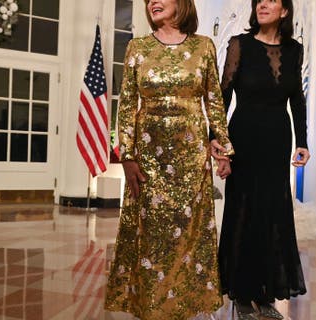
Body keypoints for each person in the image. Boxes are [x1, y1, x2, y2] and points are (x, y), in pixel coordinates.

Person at [104, 0, 233, 319]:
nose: (153, 3)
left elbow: (214, 102)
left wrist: (224, 147)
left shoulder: (204, 46)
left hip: (191, 157)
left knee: (188, 231)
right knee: (151, 234)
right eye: (149, 0)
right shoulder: (137, 47)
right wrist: (128, 155)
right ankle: (150, 305)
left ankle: (185, 305)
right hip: (148, 158)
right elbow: (127, 104)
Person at [214, 0, 310, 319]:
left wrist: (303, 142)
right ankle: (241, 294)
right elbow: (224, 96)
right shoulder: (239, 45)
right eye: (259, 1)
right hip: (243, 139)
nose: (262, 5)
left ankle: (265, 293)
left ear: (284, 11)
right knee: (242, 211)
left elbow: (297, 98)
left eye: (271, 0)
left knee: (272, 214)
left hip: (277, 141)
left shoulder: (295, 50)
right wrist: (220, 143)